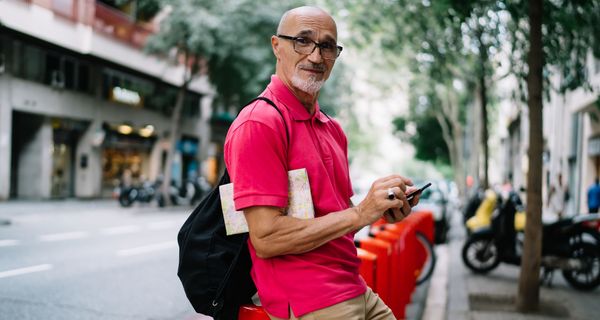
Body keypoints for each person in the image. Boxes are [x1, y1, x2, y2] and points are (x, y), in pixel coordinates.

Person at [224, 6, 420, 320]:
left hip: (354, 285)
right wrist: (360, 213)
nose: (316, 57)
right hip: (310, 301)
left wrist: (380, 210)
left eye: (327, 46)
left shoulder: (333, 128)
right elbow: (266, 238)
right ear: (277, 46)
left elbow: (335, 217)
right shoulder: (260, 123)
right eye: (303, 41)